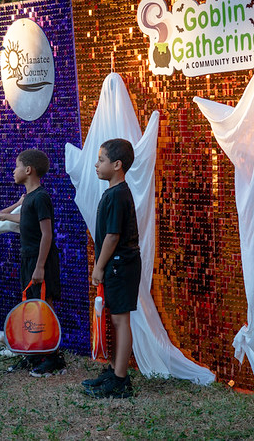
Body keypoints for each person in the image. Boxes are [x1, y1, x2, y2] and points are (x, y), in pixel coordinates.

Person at [0, 149, 65, 376]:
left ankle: (53, 358)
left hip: (40, 260)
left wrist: (40, 266)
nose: (13, 171)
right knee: (30, 307)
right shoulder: (30, 198)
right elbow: (26, 218)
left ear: (28, 170)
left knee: (43, 306)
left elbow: (47, 234)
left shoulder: (41, 197)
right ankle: (32, 355)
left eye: (16, 166)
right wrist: (5, 214)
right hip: (28, 258)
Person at [82, 138, 141, 399]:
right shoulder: (113, 192)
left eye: (101, 160)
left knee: (121, 320)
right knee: (116, 320)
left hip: (121, 265)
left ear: (117, 165)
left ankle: (120, 380)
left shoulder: (118, 194)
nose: (96, 165)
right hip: (117, 266)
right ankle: (116, 370)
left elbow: (113, 236)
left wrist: (98, 266)